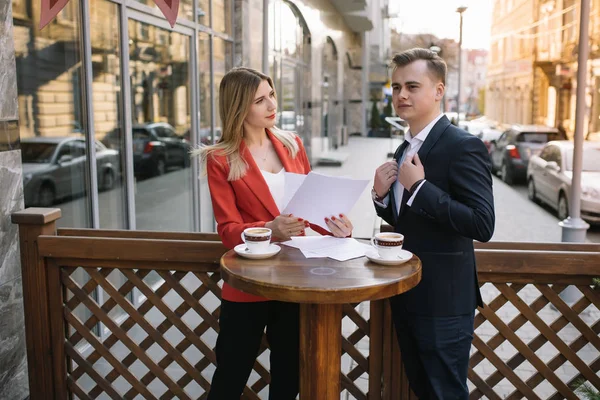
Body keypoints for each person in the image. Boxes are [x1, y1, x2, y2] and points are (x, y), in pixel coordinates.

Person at [193, 66, 354, 400]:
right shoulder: (221, 159)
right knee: (231, 374)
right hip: (249, 283)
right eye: (259, 100)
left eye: (272, 95)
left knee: (288, 377)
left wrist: (337, 227)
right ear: (239, 107)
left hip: (296, 278)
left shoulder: (292, 144)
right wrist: (269, 229)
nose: (271, 105)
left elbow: (312, 208)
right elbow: (227, 231)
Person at [371, 48, 495, 399]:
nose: (401, 95)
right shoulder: (402, 149)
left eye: (412, 86)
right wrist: (381, 197)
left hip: (444, 303)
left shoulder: (464, 146)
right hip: (406, 295)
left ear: (438, 91)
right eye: (396, 88)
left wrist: (421, 187)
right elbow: (406, 220)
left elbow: (483, 224)